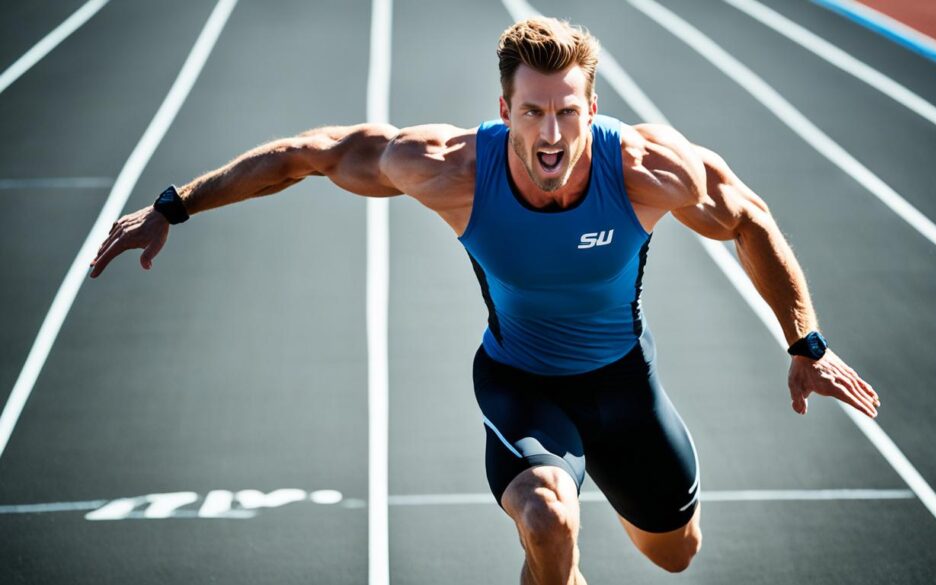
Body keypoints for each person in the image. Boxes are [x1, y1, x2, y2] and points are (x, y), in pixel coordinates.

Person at [89, 16, 880, 585]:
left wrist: (805, 344)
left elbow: (748, 219)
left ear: (591, 112)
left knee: (676, 554)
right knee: (548, 521)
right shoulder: (449, 167)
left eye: (567, 111)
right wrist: (173, 205)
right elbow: (309, 154)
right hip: (520, 383)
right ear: (504, 111)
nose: (550, 131)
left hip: (624, 384)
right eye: (532, 110)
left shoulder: (647, 170)